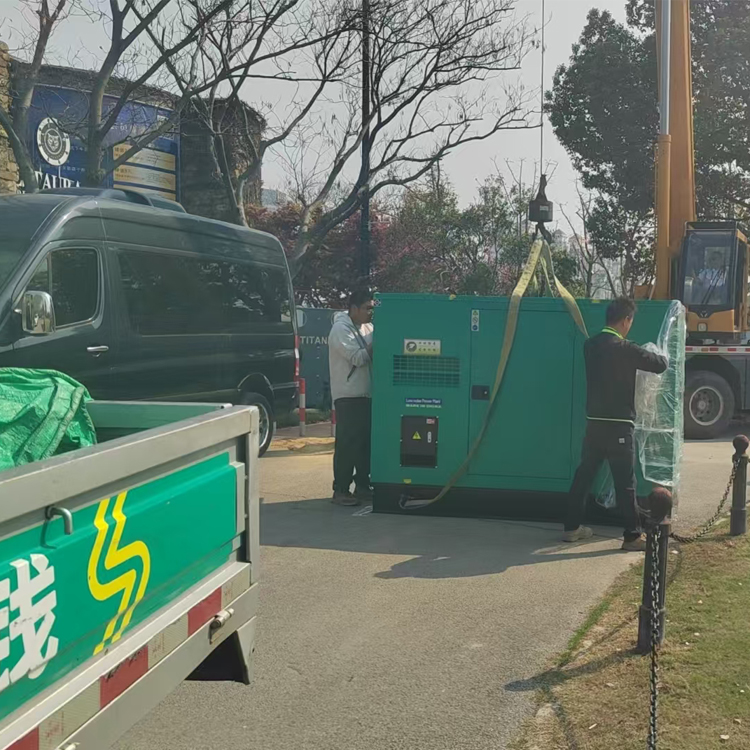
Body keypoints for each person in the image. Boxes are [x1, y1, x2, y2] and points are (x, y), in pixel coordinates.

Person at [563, 297, 668, 551]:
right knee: (626, 484)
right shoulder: (627, 349)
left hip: (594, 425)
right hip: (619, 426)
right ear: (626, 320)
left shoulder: (590, 345)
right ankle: (632, 536)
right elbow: (660, 365)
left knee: (584, 476)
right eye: (631, 321)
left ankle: (571, 528)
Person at [328, 289, 375, 505]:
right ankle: (341, 490)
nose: (370, 312)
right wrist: (381, 339)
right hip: (348, 396)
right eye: (367, 308)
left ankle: (363, 486)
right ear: (354, 308)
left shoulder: (367, 328)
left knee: (364, 445)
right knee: (348, 445)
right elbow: (358, 358)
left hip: (366, 394)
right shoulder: (340, 329)